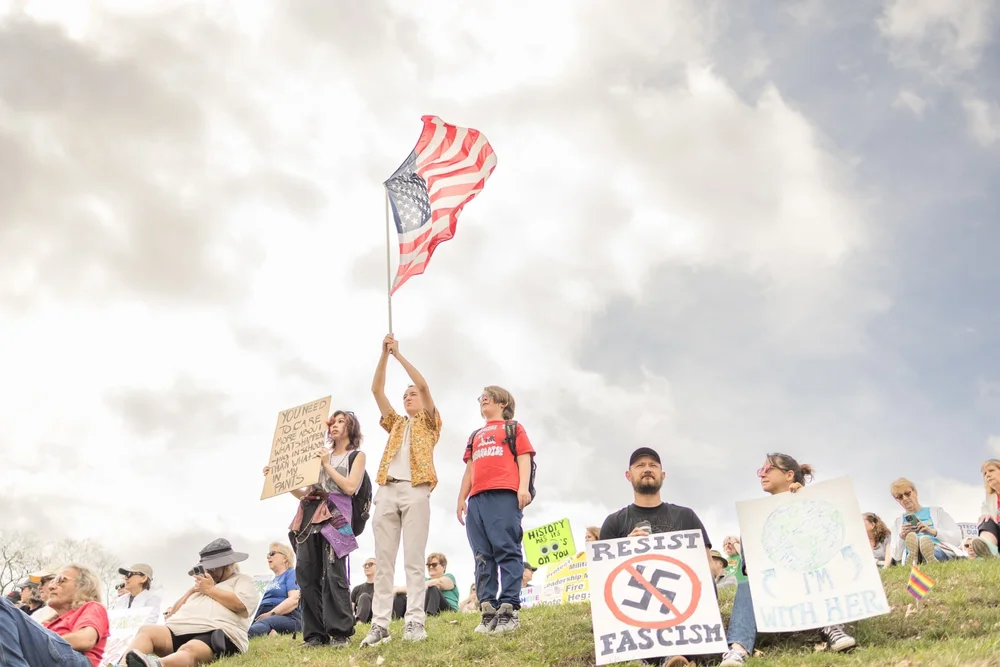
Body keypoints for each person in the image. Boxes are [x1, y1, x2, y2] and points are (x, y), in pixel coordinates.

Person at [720, 454, 856, 666]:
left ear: (789, 475)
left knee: (817, 569)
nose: (762, 474)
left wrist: (804, 499)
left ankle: (833, 627)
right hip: (777, 583)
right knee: (747, 585)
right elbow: (750, 567)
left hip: (808, 572)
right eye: (760, 471)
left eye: (768, 469)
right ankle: (738, 649)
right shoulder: (755, 518)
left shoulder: (814, 501)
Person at [361, 334, 442, 647]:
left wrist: (400, 357)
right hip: (388, 489)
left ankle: (414, 622)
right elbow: (376, 390)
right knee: (384, 561)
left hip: (416, 489)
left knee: (413, 558)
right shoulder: (396, 423)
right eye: (404, 394)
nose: (408, 397)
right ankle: (380, 625)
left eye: (411, 395)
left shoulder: (430, 422)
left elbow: (423, 386)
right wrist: (383, 355)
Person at [276, 409, 366, 648]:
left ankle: (340, 633)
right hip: (310, 516)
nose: (335, 425)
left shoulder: (356, 456)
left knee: (334, 573)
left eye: (341, 421)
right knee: (307, 574)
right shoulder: (318, 457)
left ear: (351, 428)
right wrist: (281, 479)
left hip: (337, 516)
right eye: (332, 422)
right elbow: (304, 493)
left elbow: (349, 487)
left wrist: (326, 464)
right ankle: (315, 634)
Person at [456, 385, 536, 636]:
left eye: (488, 397)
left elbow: (524, 458)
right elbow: (469, 469)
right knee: (482, 555)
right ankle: (488, 609)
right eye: (481, 398)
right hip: (477, 499)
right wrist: (462, 498)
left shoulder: (513, 428)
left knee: (507, 549)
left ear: (503, 403)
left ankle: (509, 608)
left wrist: (523, 488)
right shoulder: (475, 435)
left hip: (504, 494)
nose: (483, 400)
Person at [121, 539, 259, 667]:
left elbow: (242, 606)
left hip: (215, 632)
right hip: (181, 629)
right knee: (147, 631)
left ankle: (156, 665)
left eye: (213, 568)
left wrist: (210, 590)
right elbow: (172, 614)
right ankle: (123, 665)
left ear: (228, 566)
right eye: (206, 568)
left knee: (190, 648)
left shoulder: (242, 580)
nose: (209, 571)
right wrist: (193, 590)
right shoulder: (201, 588)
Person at [0, 564, 109, 667]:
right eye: (52, 582)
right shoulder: (50, 621)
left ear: (83, 586)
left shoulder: (93, 607)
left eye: (60, 580)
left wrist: (37, 641)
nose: (51, 587)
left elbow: (85, 640)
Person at [889, 478, 964, 565]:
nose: (905, 498)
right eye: (899, 497)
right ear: (896, 500)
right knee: (912, 550)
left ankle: (923, 556)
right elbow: (896, 556)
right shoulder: (897, 523)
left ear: (915, 492)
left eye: (907, 493)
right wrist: (901, 537)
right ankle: (917, 555)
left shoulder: (937, 512)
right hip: (911, 552)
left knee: (932, 549)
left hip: (936, 547)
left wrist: (932, 532)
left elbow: (957, 538)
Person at [248, 543, 301, 638]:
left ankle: (246, 636)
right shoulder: (267, 581)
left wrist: (271, 614)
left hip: (288, 616)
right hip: (260, 614)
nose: (268, 556)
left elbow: (294, 599)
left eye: (272, 553)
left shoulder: (291, 574)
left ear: (285, 558)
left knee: (264, 623)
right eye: (267, 554)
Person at [391, 552, 459, 618]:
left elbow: (438, 582)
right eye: (428, 565)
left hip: (448, 609)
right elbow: (409, 587)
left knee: (432, 588)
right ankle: (395, 620)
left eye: (434, 564)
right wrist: (396, 590)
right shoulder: (425, 580)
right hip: (426, 607)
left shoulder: (449, 577)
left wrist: (416, 587)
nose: (431, 567)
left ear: (443, 566)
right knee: (400, 595)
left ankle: (429, 617)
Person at [973, 459, 1000, 558]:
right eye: (985, 474)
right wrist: (986, 516)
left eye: (991, 471)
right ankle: (989, 550)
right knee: (986, 520)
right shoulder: (988, 500)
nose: (987, 475)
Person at [351, 558, 376, 624]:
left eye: (370, 564)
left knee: (364, 596)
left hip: (375, 618)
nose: (367, 566)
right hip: (360, 618)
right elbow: (350, 610)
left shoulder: (383, 587)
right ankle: (359, 622)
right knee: (364, 596)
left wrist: (395, 590)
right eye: (365, 565)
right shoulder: (357, 589)